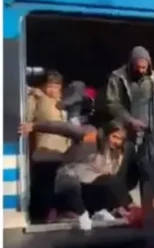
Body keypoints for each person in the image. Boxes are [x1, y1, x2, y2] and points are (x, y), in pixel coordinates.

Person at [19, 120, 137, 229]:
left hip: (90, 187)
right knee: (73, 182)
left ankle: (100, 210)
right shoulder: (90, 136)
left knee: (111, 182)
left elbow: (113, 180)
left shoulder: (117, 154)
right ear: (106, 133)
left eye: (120, 139)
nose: (117, 141)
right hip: (70, 180)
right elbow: (65, 128)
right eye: (114, 136)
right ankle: (75, 212)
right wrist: (34, 126)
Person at [102, 46, 154, 211]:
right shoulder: (117, 77)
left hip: (149, 134)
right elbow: (111, 103)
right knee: (119, 174)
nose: (141, 71)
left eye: (144, 67)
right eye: (138, 67)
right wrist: (130, 121)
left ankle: (148, 211)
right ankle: (124, 208)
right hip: (125, 133)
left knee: (150, 171)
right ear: (131, 64)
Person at [25, 70, 67, 222]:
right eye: (49, 85)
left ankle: (58, 210)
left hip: (62, 150)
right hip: (44, 149)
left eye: (56, 86)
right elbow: (27, 119)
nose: (53, 89)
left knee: (58, 181)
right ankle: (46, 212)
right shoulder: (37, 98)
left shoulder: (62, 102)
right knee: (45, 181)